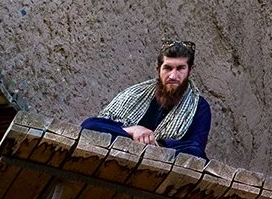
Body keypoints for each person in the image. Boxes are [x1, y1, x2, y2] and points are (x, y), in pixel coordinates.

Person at [79, 40, 213, 158]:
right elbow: (92, 126)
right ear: (158, 69)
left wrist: (156, 143)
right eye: (167, 68)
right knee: (90, 125)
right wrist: (133, 131)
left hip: (165, 164)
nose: (173, 75)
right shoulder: (135, 95)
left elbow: (196, 149)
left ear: (190, 70)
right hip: (122, 153)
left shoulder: (199, 107)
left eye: (180, 69)